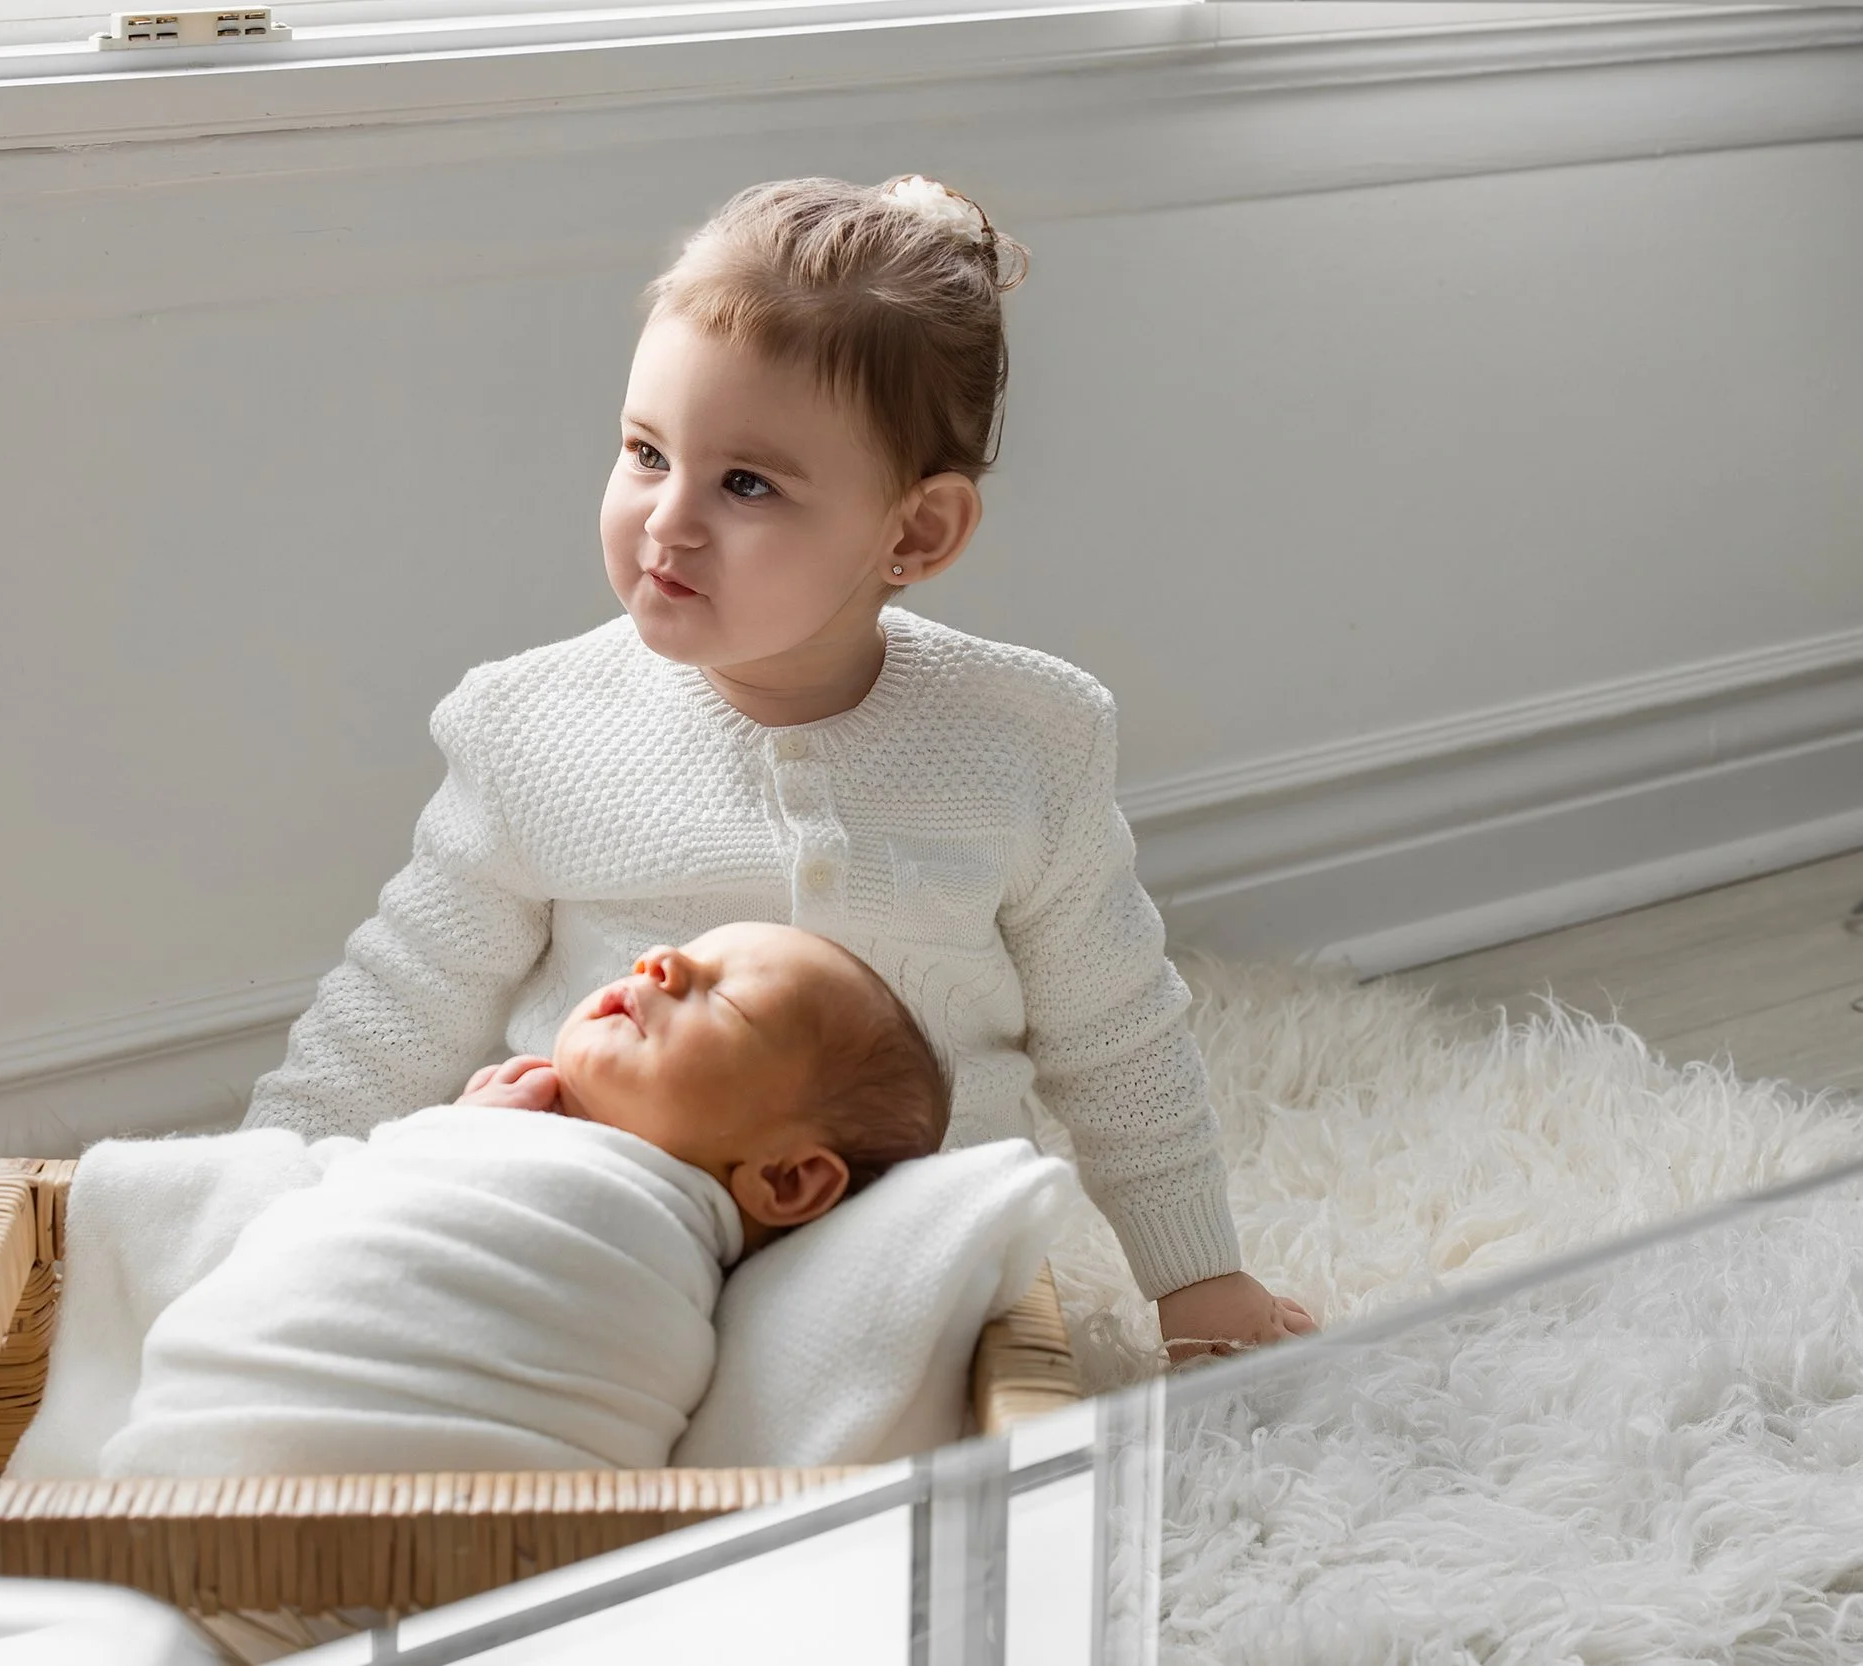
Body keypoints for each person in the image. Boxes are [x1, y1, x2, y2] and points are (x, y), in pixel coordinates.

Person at [240, 173, 1314, 1363]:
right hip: (599, 1222)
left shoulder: (1025, 737)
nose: (668, 521)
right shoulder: (532, 726)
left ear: (914, 533)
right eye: (646, 453)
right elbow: (399, 999)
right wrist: (265, 1195)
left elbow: (1115, 1033)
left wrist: (1197, 1274)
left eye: (745, 484)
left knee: (914, 1382)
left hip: (914, 1247)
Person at [104, 923, 948, 1476]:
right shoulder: (474, 1133)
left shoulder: (677, 1245)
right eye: (677, 954)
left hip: (468, 1502)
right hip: (204, 1437)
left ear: (786, 1180)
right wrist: (453, 1131)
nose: (664, 960)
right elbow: (353, 1210)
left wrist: (460, 1136)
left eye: (723, 996)